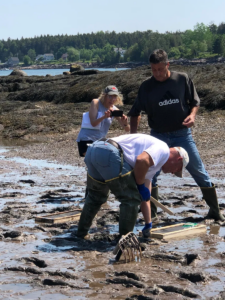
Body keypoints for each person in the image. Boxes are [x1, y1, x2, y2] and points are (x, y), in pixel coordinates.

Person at [128, 49, 224, 221]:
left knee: (198, 170)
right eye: (153, 69)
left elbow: (195, 102)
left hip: (182, 135)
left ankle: (215, 211)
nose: (157, 73)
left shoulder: (182, 79)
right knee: (151, 175)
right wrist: (133, 137)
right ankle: (153, 214)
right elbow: (135, 113)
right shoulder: (146, 87)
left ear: (167, 64)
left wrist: (192, 115)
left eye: (160, 69)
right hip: (157, 136)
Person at [77, 133, 189, 239]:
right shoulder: (163, 149)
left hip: (93, 149)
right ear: (179, 159)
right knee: (131, 199)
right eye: (177, 170)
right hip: (109, 152)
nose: (173, 173)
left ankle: (81, 234)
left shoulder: (154, 164)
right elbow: (141, 160)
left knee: (95, 197)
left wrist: (148, 223)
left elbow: (146, 197)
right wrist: (139, 186)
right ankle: (125, 239)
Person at [76, 85, 130, 157]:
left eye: (114, 97)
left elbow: (127, 129)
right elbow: (93, 123)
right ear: (104, 96)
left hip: (100, 141)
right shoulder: (96, 103)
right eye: (110, 96)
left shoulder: (114, 110)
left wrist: (125, 123)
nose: (112, 99)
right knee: (94, 162)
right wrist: (104, 117)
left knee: (99, 163)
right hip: (86, 139)